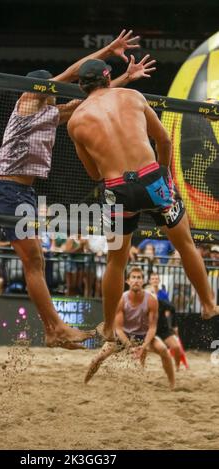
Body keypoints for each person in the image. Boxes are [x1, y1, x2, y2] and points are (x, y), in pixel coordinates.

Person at [0, 30, 156, 349]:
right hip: (6, 190)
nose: (55, 95)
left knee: (36, 261)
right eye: (48, 89)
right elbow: (75, 74)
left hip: (24, 193)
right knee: (34, 261)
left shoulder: (48, 114)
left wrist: (124, 79)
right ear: (36, 90)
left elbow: (89, 98)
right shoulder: (26, 104)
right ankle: (54, 329)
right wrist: (107, 49)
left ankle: (54, 329)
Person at [67, 58, 219, 342]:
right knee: (185, 244)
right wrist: (166, 180)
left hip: (116, 188)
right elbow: (164, 141)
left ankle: (110, 328)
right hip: (153, 180)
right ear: (108, 77)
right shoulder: (133, 96)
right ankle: (209, 305)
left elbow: (93, 173)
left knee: (116, 261)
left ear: (80, 85)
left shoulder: (75, 121)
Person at [84, 267, 175, 389]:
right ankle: (84, 383)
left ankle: (172, 385)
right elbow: (119, 329)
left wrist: (143, 346)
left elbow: (152, 328)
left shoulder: (152, 300)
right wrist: (129, 346)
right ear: (128, 281)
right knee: (98, 358)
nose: (136, 280)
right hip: (123, 335)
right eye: (133, 277)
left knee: (164, 350)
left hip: (143, 336)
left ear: (143, 281)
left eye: (139, 278)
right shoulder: (121, 299)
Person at [147, 272, 183, 371]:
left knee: (176, 347)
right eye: (152, 278)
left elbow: (171, 309)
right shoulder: (143, 299)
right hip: (148, 329)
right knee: (143, 348)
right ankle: (141, 367)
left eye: (156, 278)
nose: (154, 280)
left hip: (162, 327)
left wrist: (174, 326)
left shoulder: (162, 297)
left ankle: (177, 367)